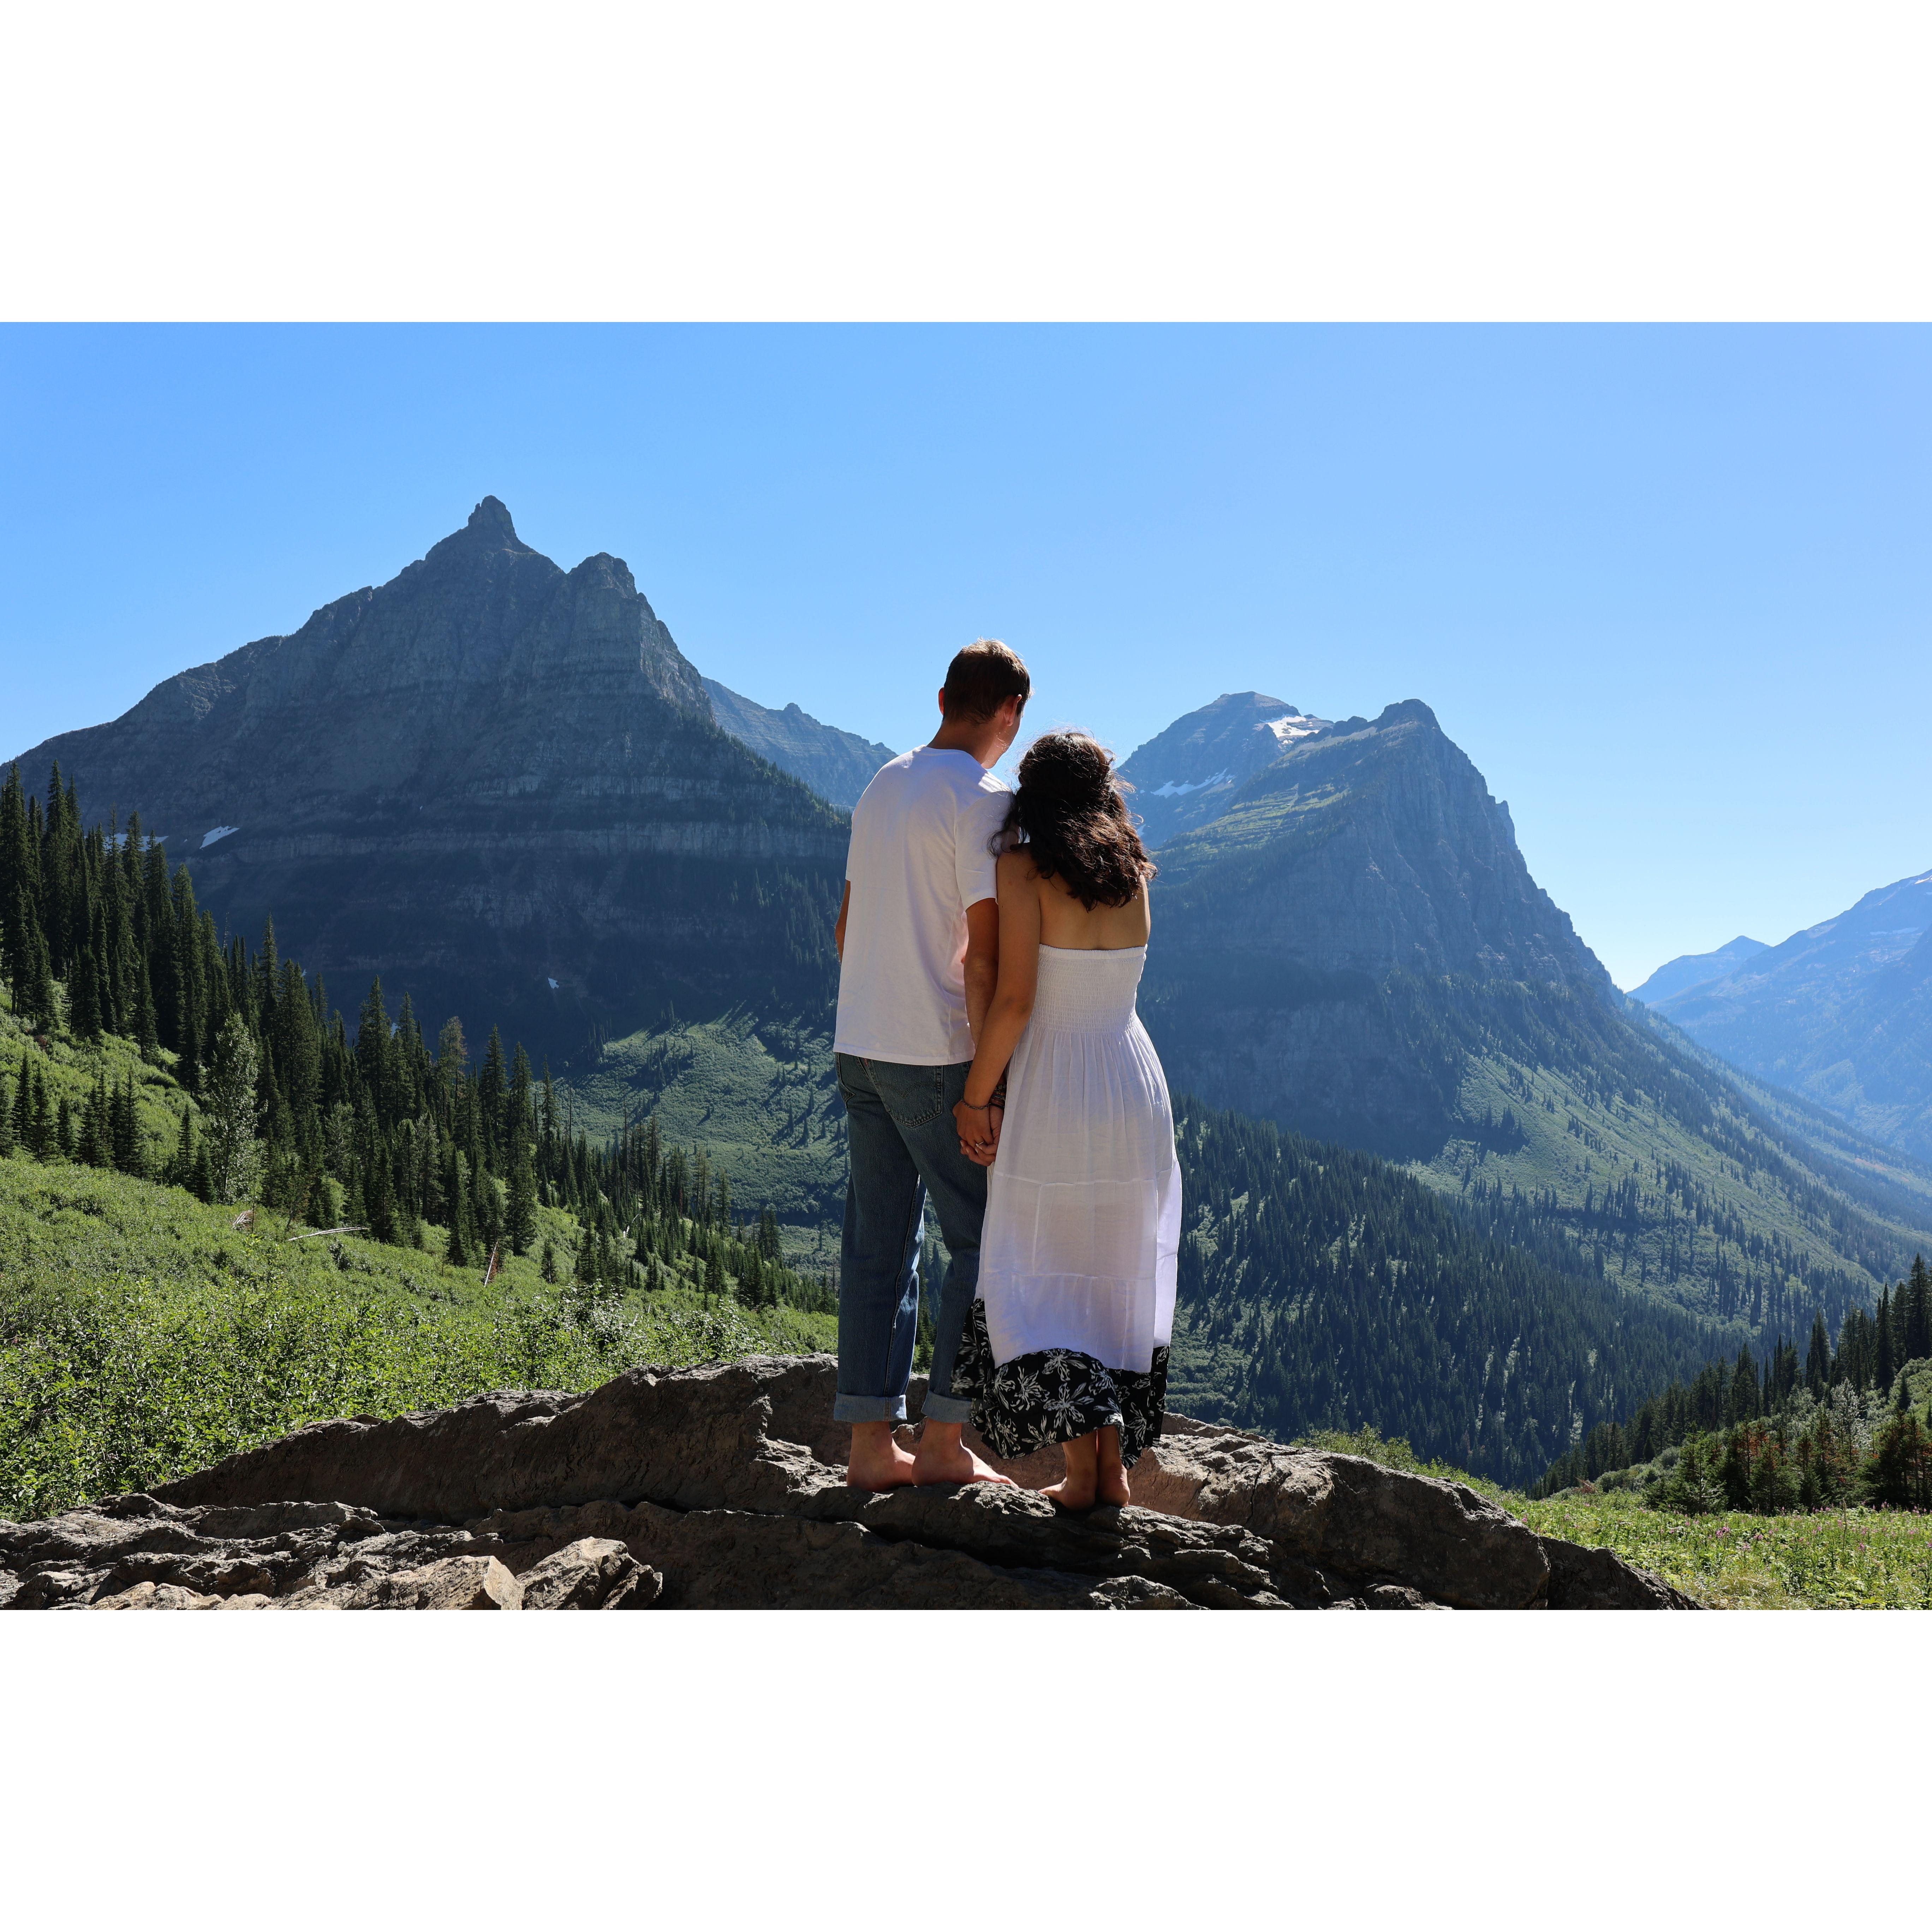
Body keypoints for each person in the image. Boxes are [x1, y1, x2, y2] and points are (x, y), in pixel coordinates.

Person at [948, 730, 1180, 1510]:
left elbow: (1014, 1000)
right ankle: (1109, 1471)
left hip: (1058, 1079)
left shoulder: (1023, 868)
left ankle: (1084, 1476)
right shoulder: (1133, 872)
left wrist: (977, 1096)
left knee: (1043, 1269)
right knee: (1112, 1271)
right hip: (1131, 1076)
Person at [831, 638, 1032, 1490]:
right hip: (935, 1051)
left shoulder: (883, 782)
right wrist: (981, 1090)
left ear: (944, 696)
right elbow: (984, 961)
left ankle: (872, 1448)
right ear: (1010, 718)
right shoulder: (985, 801)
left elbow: (844, 931)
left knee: (878, 1244)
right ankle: (947, 1442)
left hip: (860, 1043)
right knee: (983, 1241)